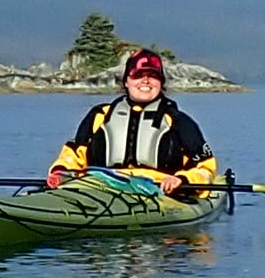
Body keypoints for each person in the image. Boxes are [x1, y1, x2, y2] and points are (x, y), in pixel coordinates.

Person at [50, 47, 220, 198]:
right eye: (138, 75)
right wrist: (60, 172)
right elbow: (73, 154)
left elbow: (205, 168)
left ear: (161, 83)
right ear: (126, 81)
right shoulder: (100, 116)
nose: (146, 81)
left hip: (158, 190)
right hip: (101, 186)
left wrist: (181, 179)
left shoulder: (179, 122)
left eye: (153, 76)